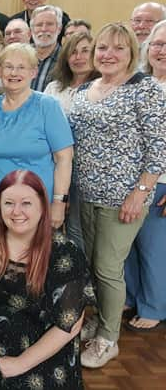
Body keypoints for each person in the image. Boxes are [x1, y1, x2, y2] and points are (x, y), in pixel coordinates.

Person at [68, 23, 166, 368]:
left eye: (118, 49)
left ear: (132, 53)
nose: (108, 55)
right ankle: (102, 320)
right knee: (94, 264)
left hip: (123, 198)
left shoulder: (146, 89)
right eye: (102, 48)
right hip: (85, 194)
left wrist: (140, 192)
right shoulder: (85, 89)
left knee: (109, 268)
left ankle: (109, 339)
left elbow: (159, 148)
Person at [0, 170, 95, 389]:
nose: (16, 212)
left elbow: (70, 325)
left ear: (43, 207)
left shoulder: (65, 254)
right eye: (8, 203)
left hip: (45, 355)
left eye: (26, 203)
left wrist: (21, 364)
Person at [0, 43, 73, 227]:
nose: (14, 73)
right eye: (8, 67)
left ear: (33, 72)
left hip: (34, 205)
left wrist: (59, 203)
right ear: (0, 70)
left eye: (21, 67)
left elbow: (64, 159)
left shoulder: (47, 106)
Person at [124, 20, 166, 333]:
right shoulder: (137, 83)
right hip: (129, 178)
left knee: (154, 249)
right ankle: (131, 297)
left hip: (161, 181)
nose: (161, 50)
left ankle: (153, 306)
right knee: (128, 246)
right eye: (157, 43)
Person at [43, 33, 98, 252]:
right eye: (73, 52)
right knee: (53, 226)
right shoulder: (54, 89)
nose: (78, 57)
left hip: (88, 171)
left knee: (78, 230)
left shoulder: (103, 87)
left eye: (85, 50)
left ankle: (83, 281)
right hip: (55, 167)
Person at [30, 5, 63, 91]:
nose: (44, 29)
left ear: (59, 28)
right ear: (32, 30)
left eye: (49, 24)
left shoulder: (66, 60)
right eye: (39, 25)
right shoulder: (22, 57)